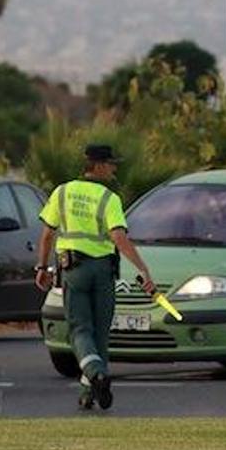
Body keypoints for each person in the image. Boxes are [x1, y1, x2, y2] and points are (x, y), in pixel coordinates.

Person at [34, 144, 155, 410]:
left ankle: (96, 375)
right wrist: (142, 269)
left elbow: (46, 235)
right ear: (98, 166)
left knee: (80, 329)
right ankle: (90, 391)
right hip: (103, 271)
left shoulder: (62, 192)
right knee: (100, 333)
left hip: (74, 271)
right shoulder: (108, 198)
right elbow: (119, 238)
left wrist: (41, 268)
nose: (114, 169)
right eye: (111, 164)